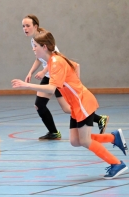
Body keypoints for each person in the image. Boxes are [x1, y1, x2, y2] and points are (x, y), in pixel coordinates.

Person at [11, 31, 128, 179]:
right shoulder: (54, 60)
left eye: (35, 46)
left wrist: (27, 85)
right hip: (76, 104)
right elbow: (76, 66)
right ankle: (113, 138)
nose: (33, 49)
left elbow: (51, 89)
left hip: (83, 102)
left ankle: (116, 163)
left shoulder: (56, 62)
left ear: (44, 47)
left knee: (84, 140)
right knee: (75, 141)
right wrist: (74, 86)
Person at [22, 15, 109, 140]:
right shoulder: (34, 40)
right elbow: (39, 58)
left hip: (56, 76)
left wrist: (43, 71)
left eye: (27, 25)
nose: (25, 28)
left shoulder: (45, 38)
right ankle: (54, 132)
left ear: (35, 26)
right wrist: (30, 72)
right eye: (23, 26)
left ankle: (99, 119)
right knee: (40, 105)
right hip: (49, 76)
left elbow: (54, 57)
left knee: (68, 108)